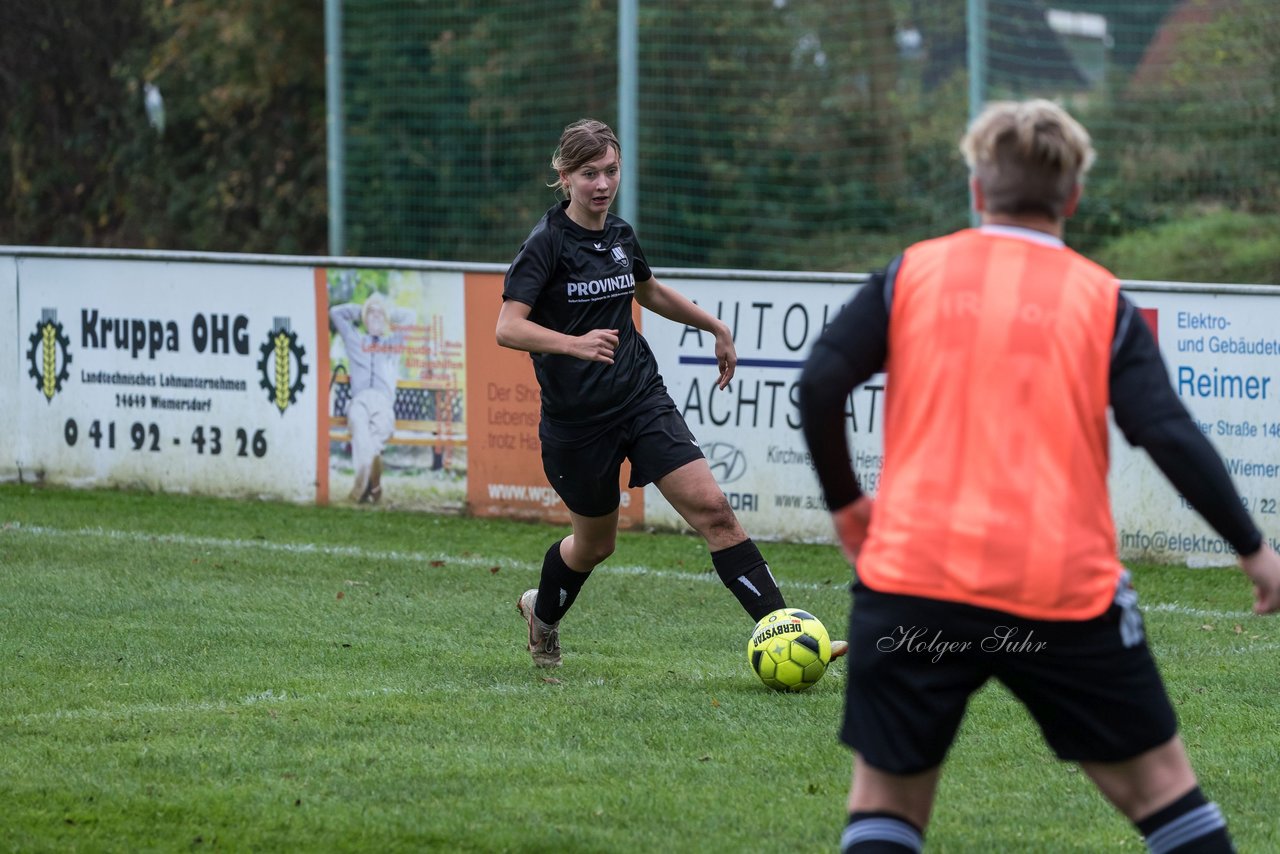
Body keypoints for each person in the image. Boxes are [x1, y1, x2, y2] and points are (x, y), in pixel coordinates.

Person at [797, 99, 1280, 853]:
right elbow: (1165, 430)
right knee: (1164, 797)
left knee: (886, 806)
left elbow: (820, 384)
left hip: (916, 582)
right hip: (1059, 595)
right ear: (1074, 197)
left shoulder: (912, 274)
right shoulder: (1099, 299)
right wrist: (1253, 550)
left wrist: (849, 511)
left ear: (978, 191)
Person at [497, 118, 847, 668]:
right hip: (577, 424)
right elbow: (508, 327)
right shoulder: (546, 245)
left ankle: (786, 632)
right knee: (595, 546)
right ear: (564, 177)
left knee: (714, 510)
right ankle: (542, 614)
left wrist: (716, 327)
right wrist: (574, 343)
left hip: (640, 397)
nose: (602, 184)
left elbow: (649, 289)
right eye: (589, 173)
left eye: (611, 171)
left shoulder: (620, 236)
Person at [330, 293, 414, 503]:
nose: (375, 316)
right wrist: (364, 310)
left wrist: (384, 311)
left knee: (376, 434)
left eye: (380, 315)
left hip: (383, 401)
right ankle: (371, 488)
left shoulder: (393, 343)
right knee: (359, 428)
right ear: (364, 319)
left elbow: (410, 316)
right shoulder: (355, 340)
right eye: (371, 314)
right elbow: (335, 313)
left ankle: (365, 489)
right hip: (360, 399)